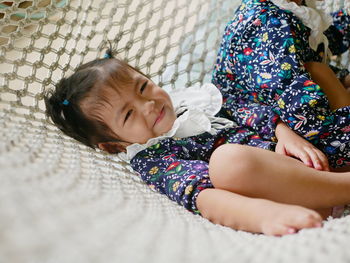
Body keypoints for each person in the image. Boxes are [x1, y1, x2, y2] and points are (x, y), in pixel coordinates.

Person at [44, 0, 350, 236]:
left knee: (317, 72)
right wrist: (267, 217)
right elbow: (205, 199)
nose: (148, 104)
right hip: (292, 191)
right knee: (228, 164)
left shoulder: (191, 101)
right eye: (128, 114)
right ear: (113, 145)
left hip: (310, 151)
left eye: (143, 87)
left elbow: (243, 106)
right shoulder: (155, 158)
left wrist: (282, 131)